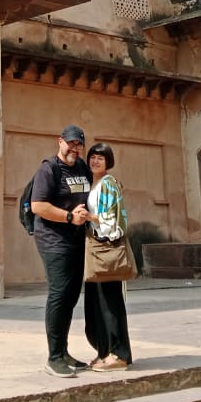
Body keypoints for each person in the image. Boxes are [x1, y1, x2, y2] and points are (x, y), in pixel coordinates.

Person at [30, 124, 93, 377]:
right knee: (59, 293)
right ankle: (53, 357)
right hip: (53, 240)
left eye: (79, 144)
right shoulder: (49, 169)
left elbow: (89, 195)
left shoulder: (81, 168)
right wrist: (69, 217)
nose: (75, 148)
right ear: (60, 142)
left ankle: (63, 352)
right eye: (71, 143)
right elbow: (38, 206)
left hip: (77, 239)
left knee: (70, 296)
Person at [83, 141, 133, 371]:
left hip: (107, 249)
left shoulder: (109, 184)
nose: (95, 160)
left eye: (100, 158)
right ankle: (104, 351)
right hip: (95, 249)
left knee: (110, 303)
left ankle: (119, 353)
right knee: (96, 304)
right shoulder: (94, 185)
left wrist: (89, 217)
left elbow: (112, 219)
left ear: (108, 162)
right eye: (93, 156)